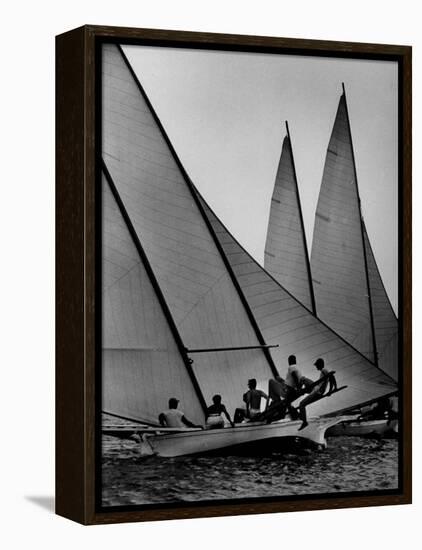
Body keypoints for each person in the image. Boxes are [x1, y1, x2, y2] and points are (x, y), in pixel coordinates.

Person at [298, 358, 336, 431]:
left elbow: (332, 378)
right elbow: (331, 378)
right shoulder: (323, 371)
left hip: (317, 391)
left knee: (301, 404)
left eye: (317, 365)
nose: (316, 367)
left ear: (320, 365)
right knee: (303, 379)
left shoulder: (324, 370)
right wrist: (331, 390)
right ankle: (302, 391)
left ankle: (304, 422)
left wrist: (331, 390)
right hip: (317, 389)